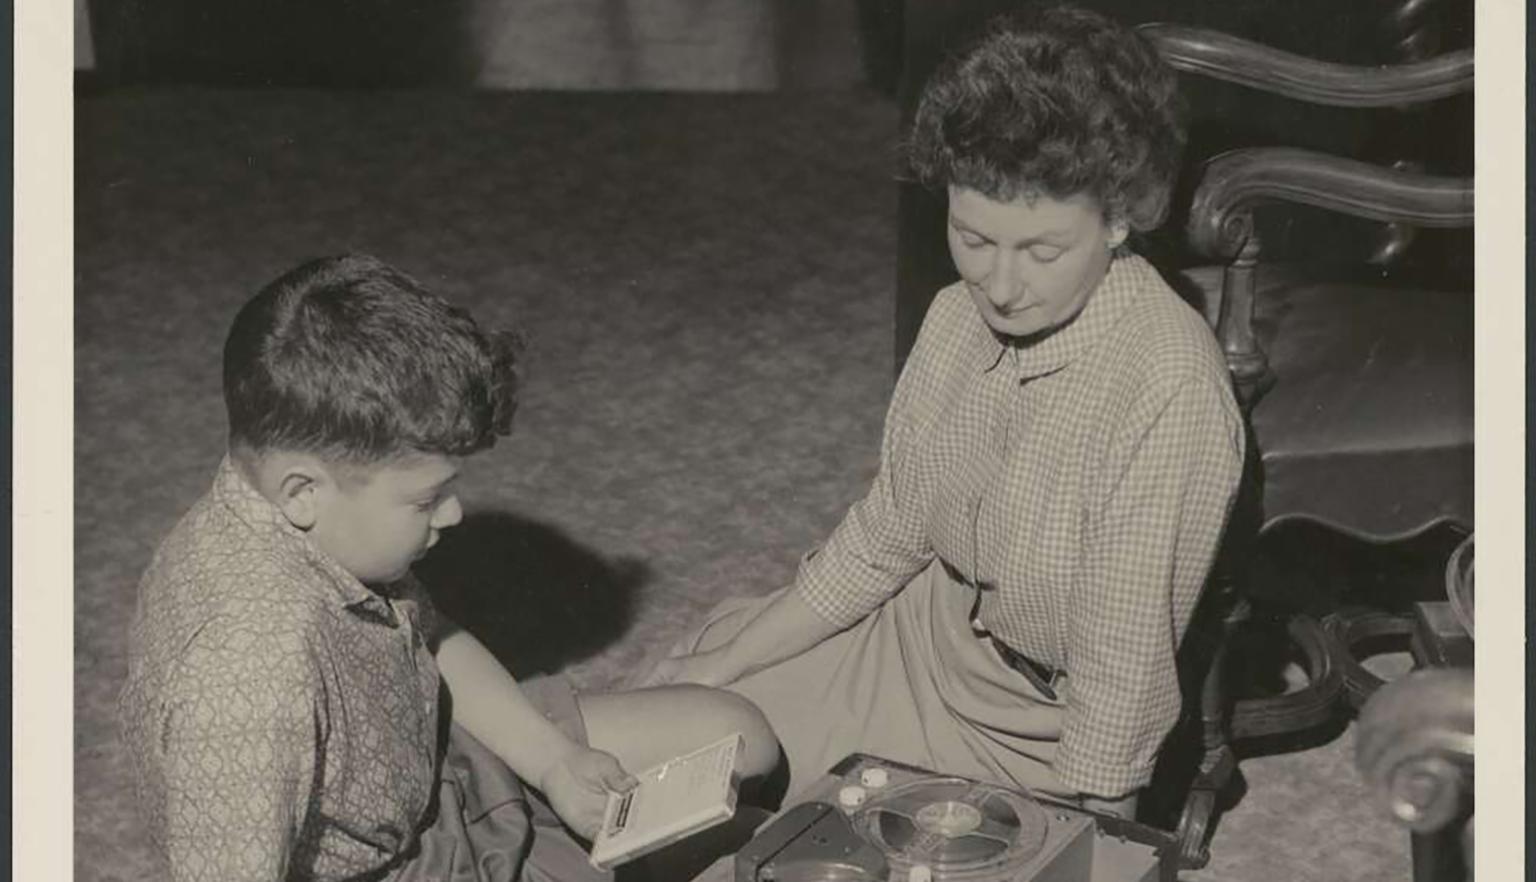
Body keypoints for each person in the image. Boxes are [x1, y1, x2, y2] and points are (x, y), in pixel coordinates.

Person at [646, 4, 1244, 819]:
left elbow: (1121, 684)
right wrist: (730, 660)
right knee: (642, 734)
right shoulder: (956, 316)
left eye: (1041, 251)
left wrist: (1095, 850)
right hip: (919, 637)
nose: (998, 287)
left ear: (1120, 218)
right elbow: (889, 534)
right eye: (973, 238)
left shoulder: (1168, 392)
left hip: (1033, 736)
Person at [118, 254, 779, 882]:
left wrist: (554, 763)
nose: (456, 514)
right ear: (303, 491)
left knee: (742, 738)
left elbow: (426, 634)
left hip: (432, 759)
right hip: (395, 862)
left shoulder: (309, 523)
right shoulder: (249, 674)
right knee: (760, 847)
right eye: (427, 498)